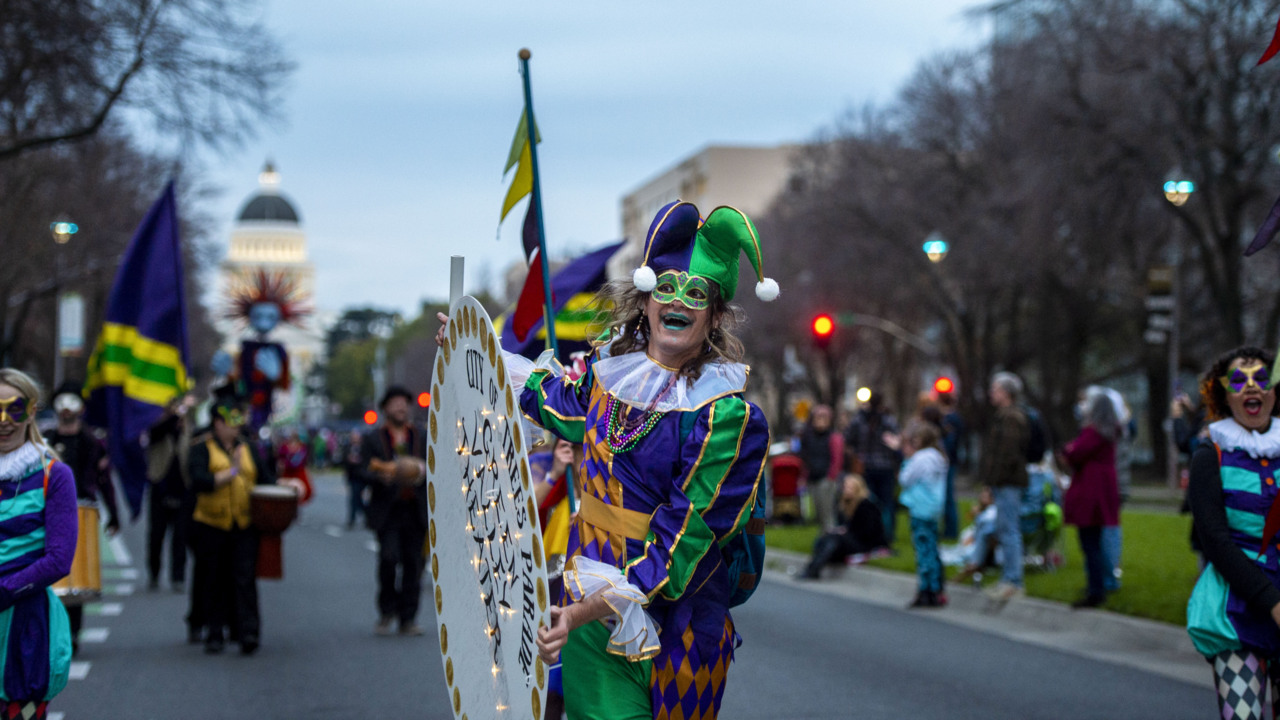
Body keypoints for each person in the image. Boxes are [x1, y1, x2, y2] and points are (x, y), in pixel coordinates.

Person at [445, 201, 775, 720]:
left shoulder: (727, 419)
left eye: (696, 294)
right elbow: (542, 395)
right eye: (666, 287)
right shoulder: (606, 383)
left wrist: (573, 613)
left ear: (713, 315)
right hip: (592, 625)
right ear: (645, 302)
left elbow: (679, 549)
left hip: (679, 634)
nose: (679, 301)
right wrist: (470, 346)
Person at [1186, 346, 1280, 719]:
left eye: (1262, 379)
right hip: (1237, 612)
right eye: (1239, 380)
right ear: (1223, 394)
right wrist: (1272, 603)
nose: (1251, 387)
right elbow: (1216, 543)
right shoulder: (1212, 455)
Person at [0, 369, 75, 718]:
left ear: (31, 411)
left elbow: (59, 560)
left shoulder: (54, 475)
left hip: (23, 626)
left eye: (14, 409)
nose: (4, 421)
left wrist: (5, 589)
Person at [187, 397, 273, 655]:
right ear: (217, 423)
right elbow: (198, 480)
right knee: (214, 579)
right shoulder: (201, 448)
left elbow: (265, 477)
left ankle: (248, 632)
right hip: (211, 523)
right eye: (230, 421)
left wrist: (288, 485)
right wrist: (230, 473)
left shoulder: (249, 448)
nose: (236, 427)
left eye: (238, 421)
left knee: (245, 578)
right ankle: (215, 634)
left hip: (244, 523)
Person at [43, 381, 120, 656]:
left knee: (77, 577)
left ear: (81, 407)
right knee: (50, 576)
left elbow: (104, 480)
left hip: (81, 512)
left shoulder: (92, 442)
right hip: (50, 513)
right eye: (62, 401)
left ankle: (73, 633)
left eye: (72, 401)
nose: (66, 408)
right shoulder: (45, 441)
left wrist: (114, 515)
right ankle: (51, 631)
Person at [362, 386, 428, 637]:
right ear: (386, 408)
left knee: (414, 564)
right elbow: (358, 471)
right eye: (396, 403)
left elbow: (437, 464)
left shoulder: (421, 436)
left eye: (404, 402)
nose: (401, 407)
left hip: (416, 509)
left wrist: (420, 470)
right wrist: (381, 477)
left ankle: (408, 618)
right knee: (388, 559)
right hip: (388, 511)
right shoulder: (373, 439)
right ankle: (387, 610)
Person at [1060, 388, 1121, 609]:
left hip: (1089, 489)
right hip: (1102, 489)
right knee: (1097, 541)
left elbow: (1075, 453)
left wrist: (1068, 450)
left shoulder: (1093, 432)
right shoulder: (1110, 431)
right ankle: (1102, 584)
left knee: (1090, 544)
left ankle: (1096, 589)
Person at [981, 371, 1031, 605]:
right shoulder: (1005, 416)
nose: (992, 394)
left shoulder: (1012, 418)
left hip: (1008, 482)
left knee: (1009, 530)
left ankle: (1013, 581)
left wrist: (993, 480)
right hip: (1004, 481)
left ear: (1006, 393)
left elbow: (1007, 454)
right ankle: (1009, 579)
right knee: (1005, 529)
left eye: (995, 389)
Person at [892, 421, 948, 608]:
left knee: (923, 550)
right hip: (934, 508)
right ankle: (938, 588)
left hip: (920, 508)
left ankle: (926, 590)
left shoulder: (920, 458)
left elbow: (905, 479)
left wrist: (906, 460)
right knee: (933, 548)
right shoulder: (939, 458)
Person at [145, 394, 195, 594]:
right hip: (160, 484)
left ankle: (178, 576)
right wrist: (172, 418)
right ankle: (154, 573)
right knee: (156, 535)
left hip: (182, 487)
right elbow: (154, 434)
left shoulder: (188, 429)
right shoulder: (157, 426)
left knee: (180, 537)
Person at [799, 474, 889, 579]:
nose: (847, 490)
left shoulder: (866, 506)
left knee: (834, 539)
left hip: (864, 543)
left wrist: (845, 531)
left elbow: (868, 532)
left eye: (850, 487)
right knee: (826, 538)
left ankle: (813, 570)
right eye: (845, 487)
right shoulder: (843, 504)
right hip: (849, 539)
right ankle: (812, 569)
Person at [845, 392, 902, 540]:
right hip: (884, 466)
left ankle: (876, 532)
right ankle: (886, 534)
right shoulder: (888, 420)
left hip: (868, 465)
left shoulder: (860, 420)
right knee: (886, 502)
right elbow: (896, 444)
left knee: (871, 501)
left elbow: (849, 439)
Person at [797, 404, 843, 531]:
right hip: (813, 477)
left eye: (824, 418)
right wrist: (804, 476)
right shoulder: (808, 436)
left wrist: (831, 477)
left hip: (826, 478)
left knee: (828, 513)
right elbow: (805, 458)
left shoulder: (833, 437)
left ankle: (831, 540)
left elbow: (837, 460)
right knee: (819, 513)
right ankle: (824, 539)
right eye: (818, 417)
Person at [938, 392, 965, 539]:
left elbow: (951, 442)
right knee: (947, 496)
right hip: (951, 460)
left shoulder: (950, 420)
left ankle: (951, 531)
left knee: (948, 496)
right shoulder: (956, 418)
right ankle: (949, 529)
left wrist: (944, 456)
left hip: (948, 462)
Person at [342, 430, 367, 530]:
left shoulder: (364, 448)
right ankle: (354, 518)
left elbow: (367, 460)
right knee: (354, 497)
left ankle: (363, 514)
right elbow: (343, 459)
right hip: (352, 476)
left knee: (356, 497)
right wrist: (349, 459)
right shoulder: (347, 448)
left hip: (361, 476)